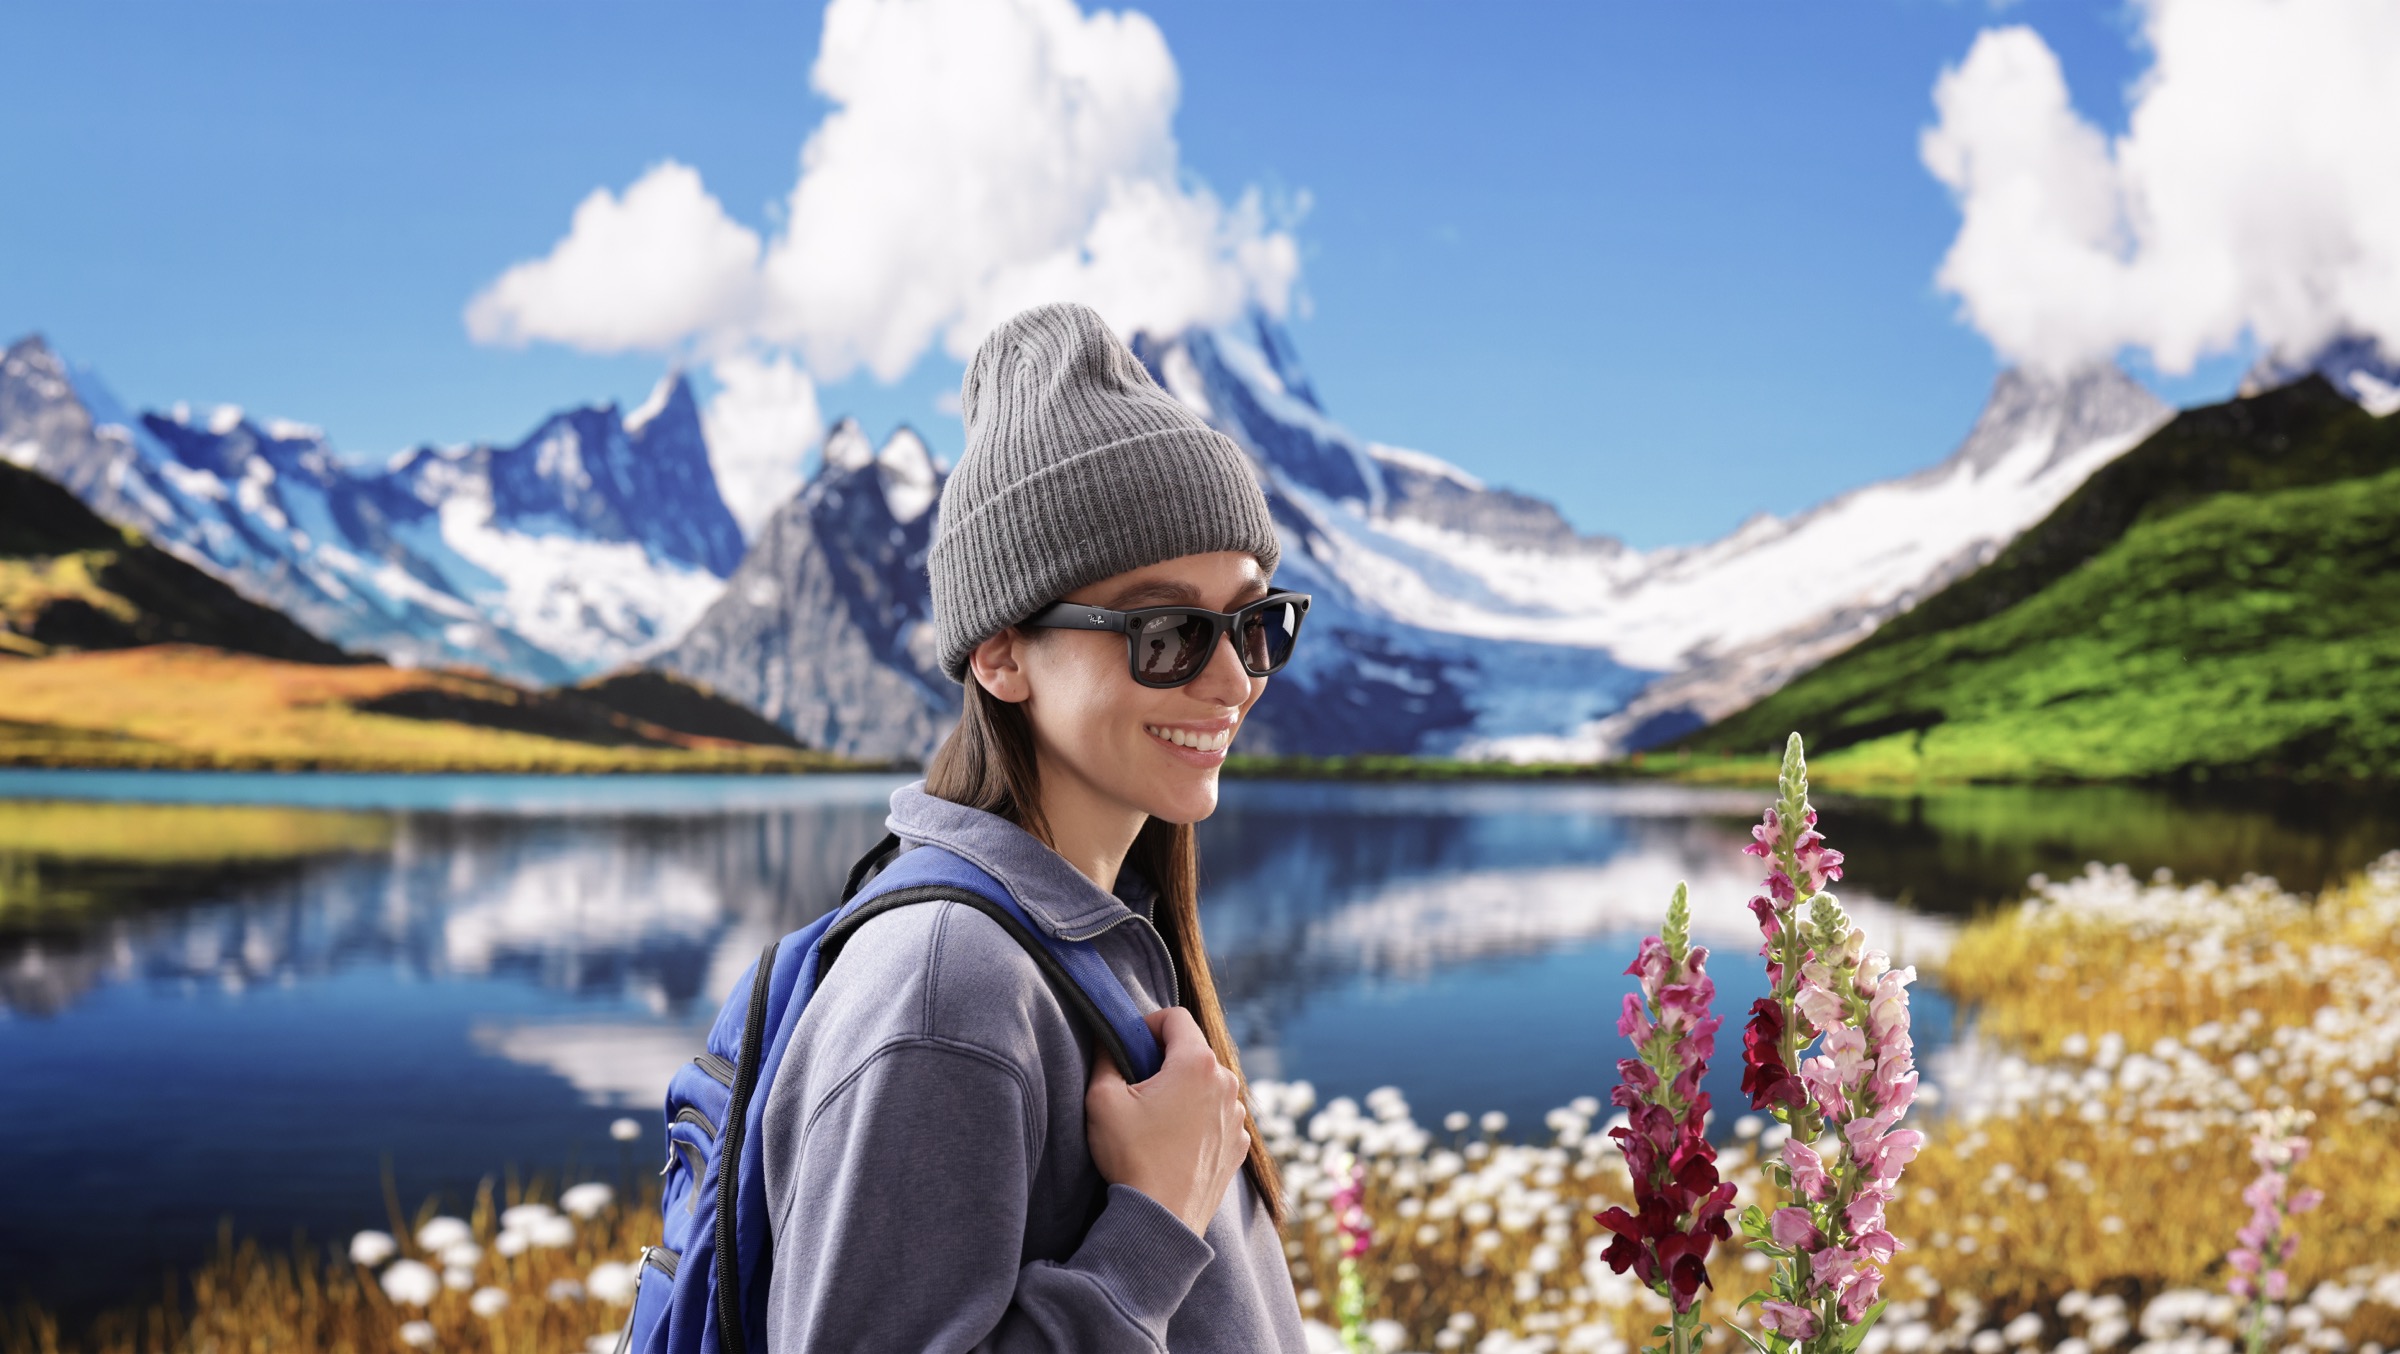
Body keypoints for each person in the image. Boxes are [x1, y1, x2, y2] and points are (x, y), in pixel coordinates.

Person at [759, 302, 1313, 1351]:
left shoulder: (1095, 932)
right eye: (1167, 632)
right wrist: (1150, 1230)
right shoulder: (947, 990)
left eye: (1255, 621)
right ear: (1001, 655)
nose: (1235, 678)